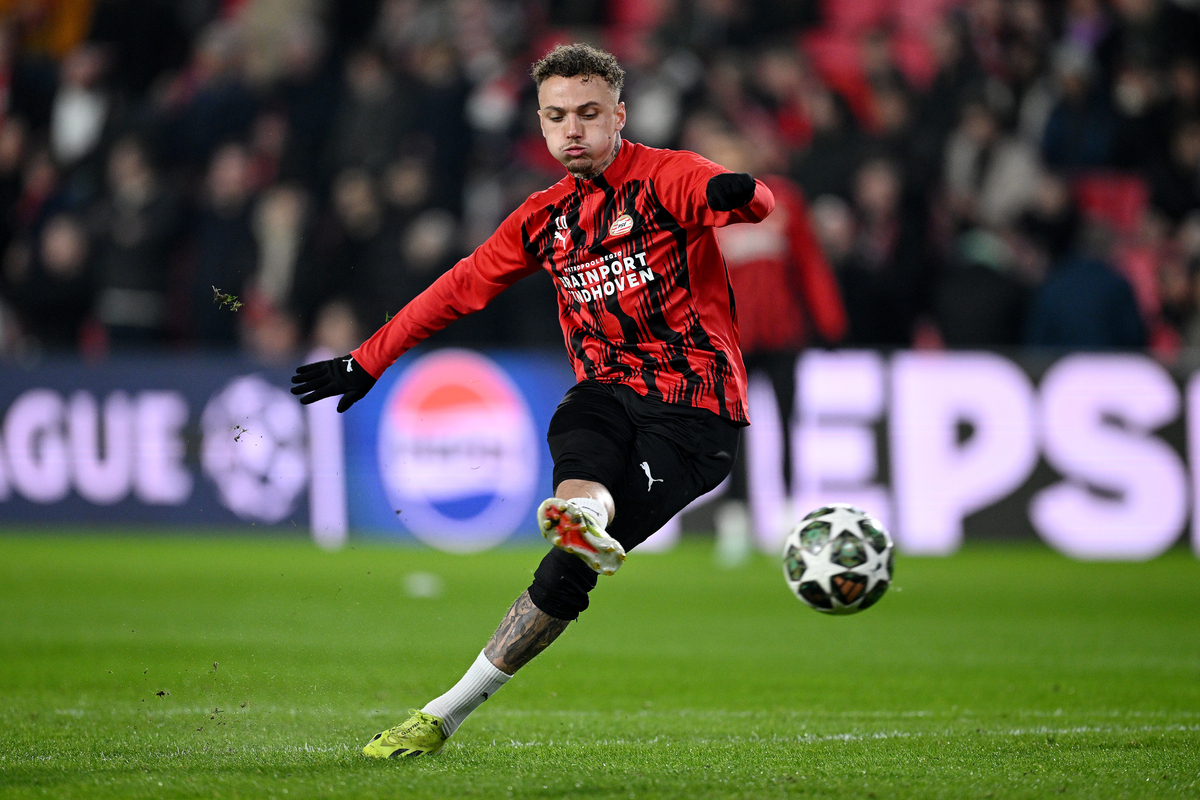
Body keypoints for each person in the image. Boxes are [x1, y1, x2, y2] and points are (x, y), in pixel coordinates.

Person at [290, 43, 775, 758]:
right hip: (607, 391)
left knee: (565, 572)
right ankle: (581, 516)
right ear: (540, 125)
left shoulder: (667, 177)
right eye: (555, 117)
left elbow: (750, 198)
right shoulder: (543, 218)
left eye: (587, 113)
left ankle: (446, 710)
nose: (571, 130)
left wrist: (742, 195)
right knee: (578, 423)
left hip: (693, 414)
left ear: (619, 115)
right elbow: (456, 289)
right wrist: (368, 360)